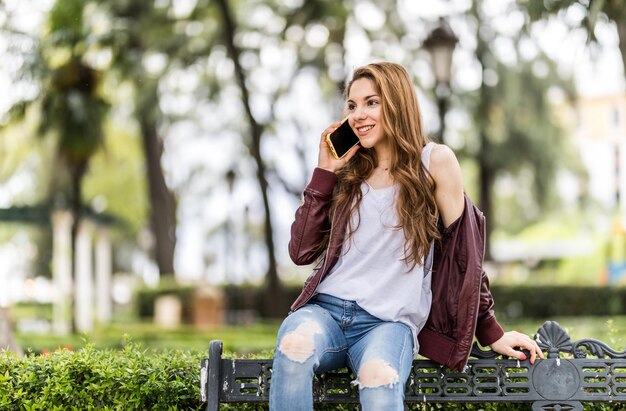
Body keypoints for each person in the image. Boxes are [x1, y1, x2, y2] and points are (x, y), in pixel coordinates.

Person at [269, 62, 543, 411]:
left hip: (388, 323)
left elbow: (464, 256)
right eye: (352, 106)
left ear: (397, 103)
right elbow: (301, 251)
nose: (358, 114)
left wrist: (492, 332)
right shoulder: (348, 169)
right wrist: (325, 171)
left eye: (372, 102)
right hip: (326, 312)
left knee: (379, 381)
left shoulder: (435, 162)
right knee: (293, 349)